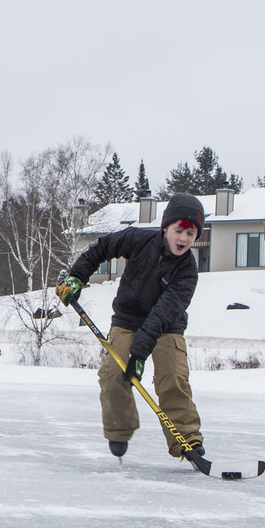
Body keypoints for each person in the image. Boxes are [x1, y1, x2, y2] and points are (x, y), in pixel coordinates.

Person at [55, 192, 205, 461]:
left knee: (172, 378)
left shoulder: (187, 272)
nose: (183, 238)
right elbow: (101, 249)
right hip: (127, 320)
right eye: (179, 230)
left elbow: (161, 315)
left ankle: (187, 440)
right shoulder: (138, 239)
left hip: (166, 327)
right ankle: (119, 428)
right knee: (113, 375)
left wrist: (139, 355)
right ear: (166, 227)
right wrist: (77, 277)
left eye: (191, 233)